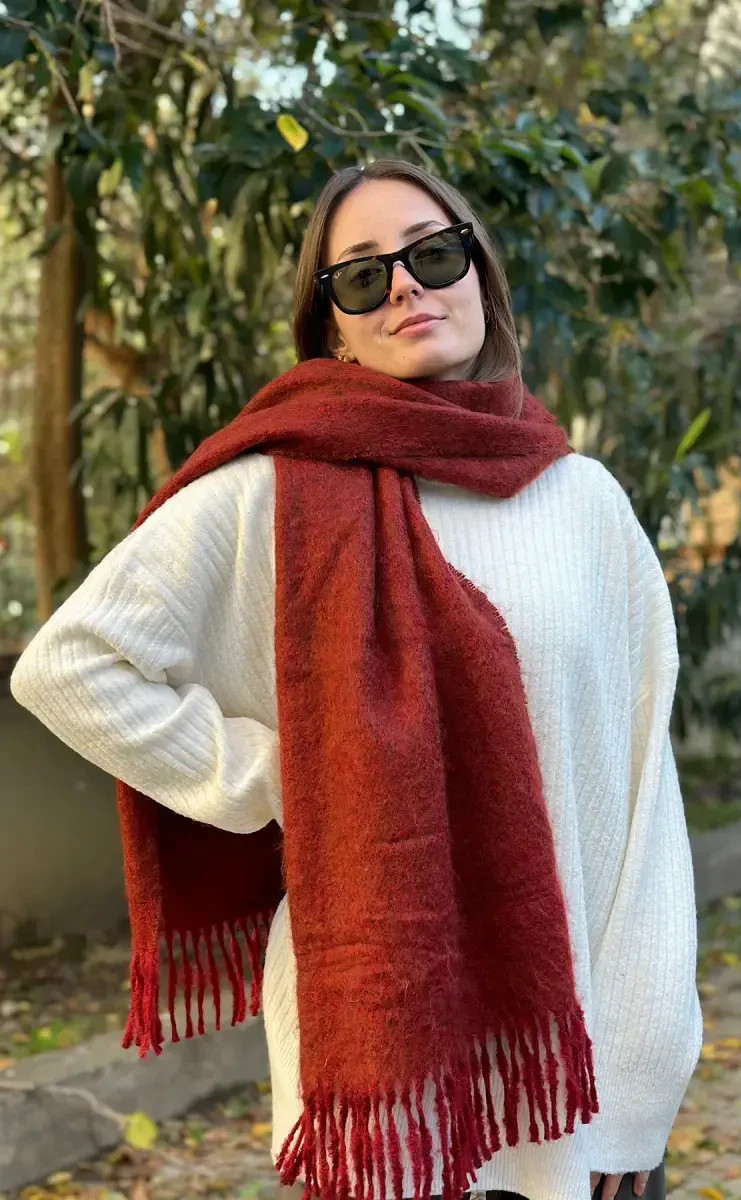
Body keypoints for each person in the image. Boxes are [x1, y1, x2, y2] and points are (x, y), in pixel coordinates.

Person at [11, 159, 702, 1200]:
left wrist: (644, 1077)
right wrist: (290, 776)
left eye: (433, 255)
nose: (407, 287)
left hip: (575, 1068)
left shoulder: (582, 500)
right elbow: (71, 665)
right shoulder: (272, 492)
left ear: (478, 273)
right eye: (363, 276)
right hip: (380, 1072)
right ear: (330, 325)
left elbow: (643, 799)